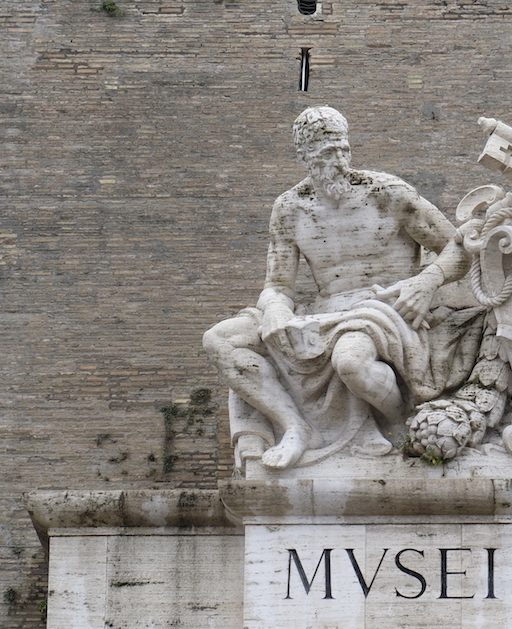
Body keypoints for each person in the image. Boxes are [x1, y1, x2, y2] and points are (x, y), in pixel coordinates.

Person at [204, 106, 481, 470]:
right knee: (220, 339)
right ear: (305, 156)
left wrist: (426, 282)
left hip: (383, 308)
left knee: (350, 361)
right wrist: (275, 309)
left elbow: (460, 247)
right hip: (322, 314)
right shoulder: (289, 209)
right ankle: (295, 427)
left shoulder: (388, 194)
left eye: (343, 150)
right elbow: (278, 284)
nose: (338, 161)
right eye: (326, 153)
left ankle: (398, 425)